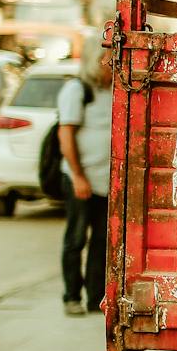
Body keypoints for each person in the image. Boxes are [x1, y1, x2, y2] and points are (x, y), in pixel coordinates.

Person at [57, 37, 114, 316]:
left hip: (107, 182)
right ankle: (71, 296)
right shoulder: (77, 89)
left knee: (101, 243)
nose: (113, 64)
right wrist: (79, 176)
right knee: (76, 238)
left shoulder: (114, 90)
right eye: (108, 59)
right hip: (81, 179)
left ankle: (95, 297)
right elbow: (65, 134)